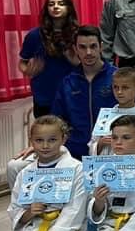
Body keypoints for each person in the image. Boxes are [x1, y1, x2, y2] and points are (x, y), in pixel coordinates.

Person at [0, 116, 86, 231]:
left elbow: (74, 212)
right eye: (39, 140)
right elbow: (15, 208)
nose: (45, 146)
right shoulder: (26, 172)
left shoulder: (76, 169)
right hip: (32, 230)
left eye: (52, 140)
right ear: (31, 141)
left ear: (63, 139)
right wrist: (29, 213)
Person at [50, 25, 117, 159]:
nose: (88, 52)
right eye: (82, 47)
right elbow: (57, 120)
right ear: (75, 49)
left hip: (110, 151)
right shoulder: (67, 82)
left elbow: (132, 114)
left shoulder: (118, 78)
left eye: (93, 46)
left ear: (101, 47)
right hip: (74, 152)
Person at [18, 0, 79, 117]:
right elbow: (22, 62)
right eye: (51, 4)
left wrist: (76, 61)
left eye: (61, 4)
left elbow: (89, 62)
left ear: (69, 8)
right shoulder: (34, 35)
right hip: (44, 96)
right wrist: (28, 70)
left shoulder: (78, 33)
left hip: (73, 94)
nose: (55, 7)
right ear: (47, 9)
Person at [89, 67, 135, 155]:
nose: (119, 92)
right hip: (108, 162)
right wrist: (100, 144)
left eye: (125, 87)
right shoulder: (105, 115)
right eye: (115, 87)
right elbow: (92, 146)